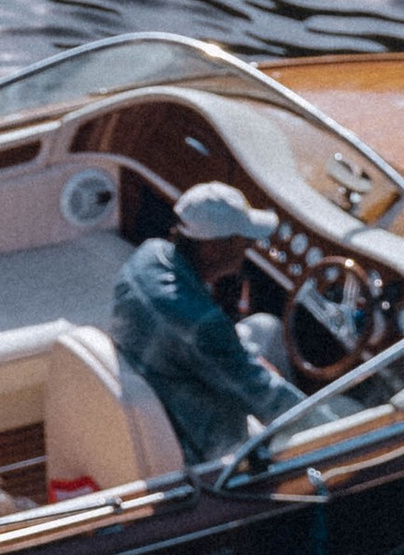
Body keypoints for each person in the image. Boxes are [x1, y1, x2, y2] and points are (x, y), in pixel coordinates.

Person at [109, 181, 305, 464]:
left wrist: (241, 360)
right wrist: (330, 419)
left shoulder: (149, 254)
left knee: (267, 328)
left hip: (159, 368)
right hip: (199, 437)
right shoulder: (202, 326)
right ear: (214, 248)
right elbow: (269, 400)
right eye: (245, 240)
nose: (250, 247)